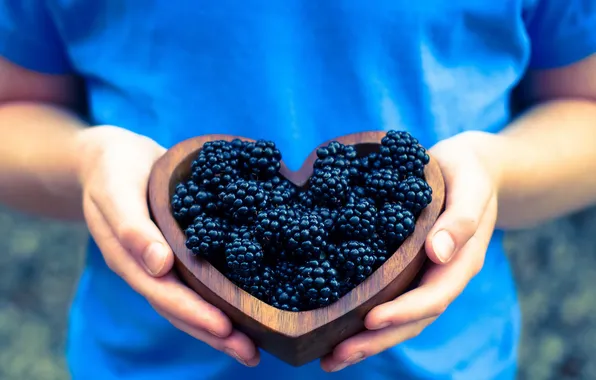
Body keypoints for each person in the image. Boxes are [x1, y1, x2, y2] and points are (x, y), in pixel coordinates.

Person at [0, 1, 595, 379]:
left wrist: (492, 170)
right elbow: (15, 109)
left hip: (445, 362)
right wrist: (86, 161)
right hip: (147, 361)